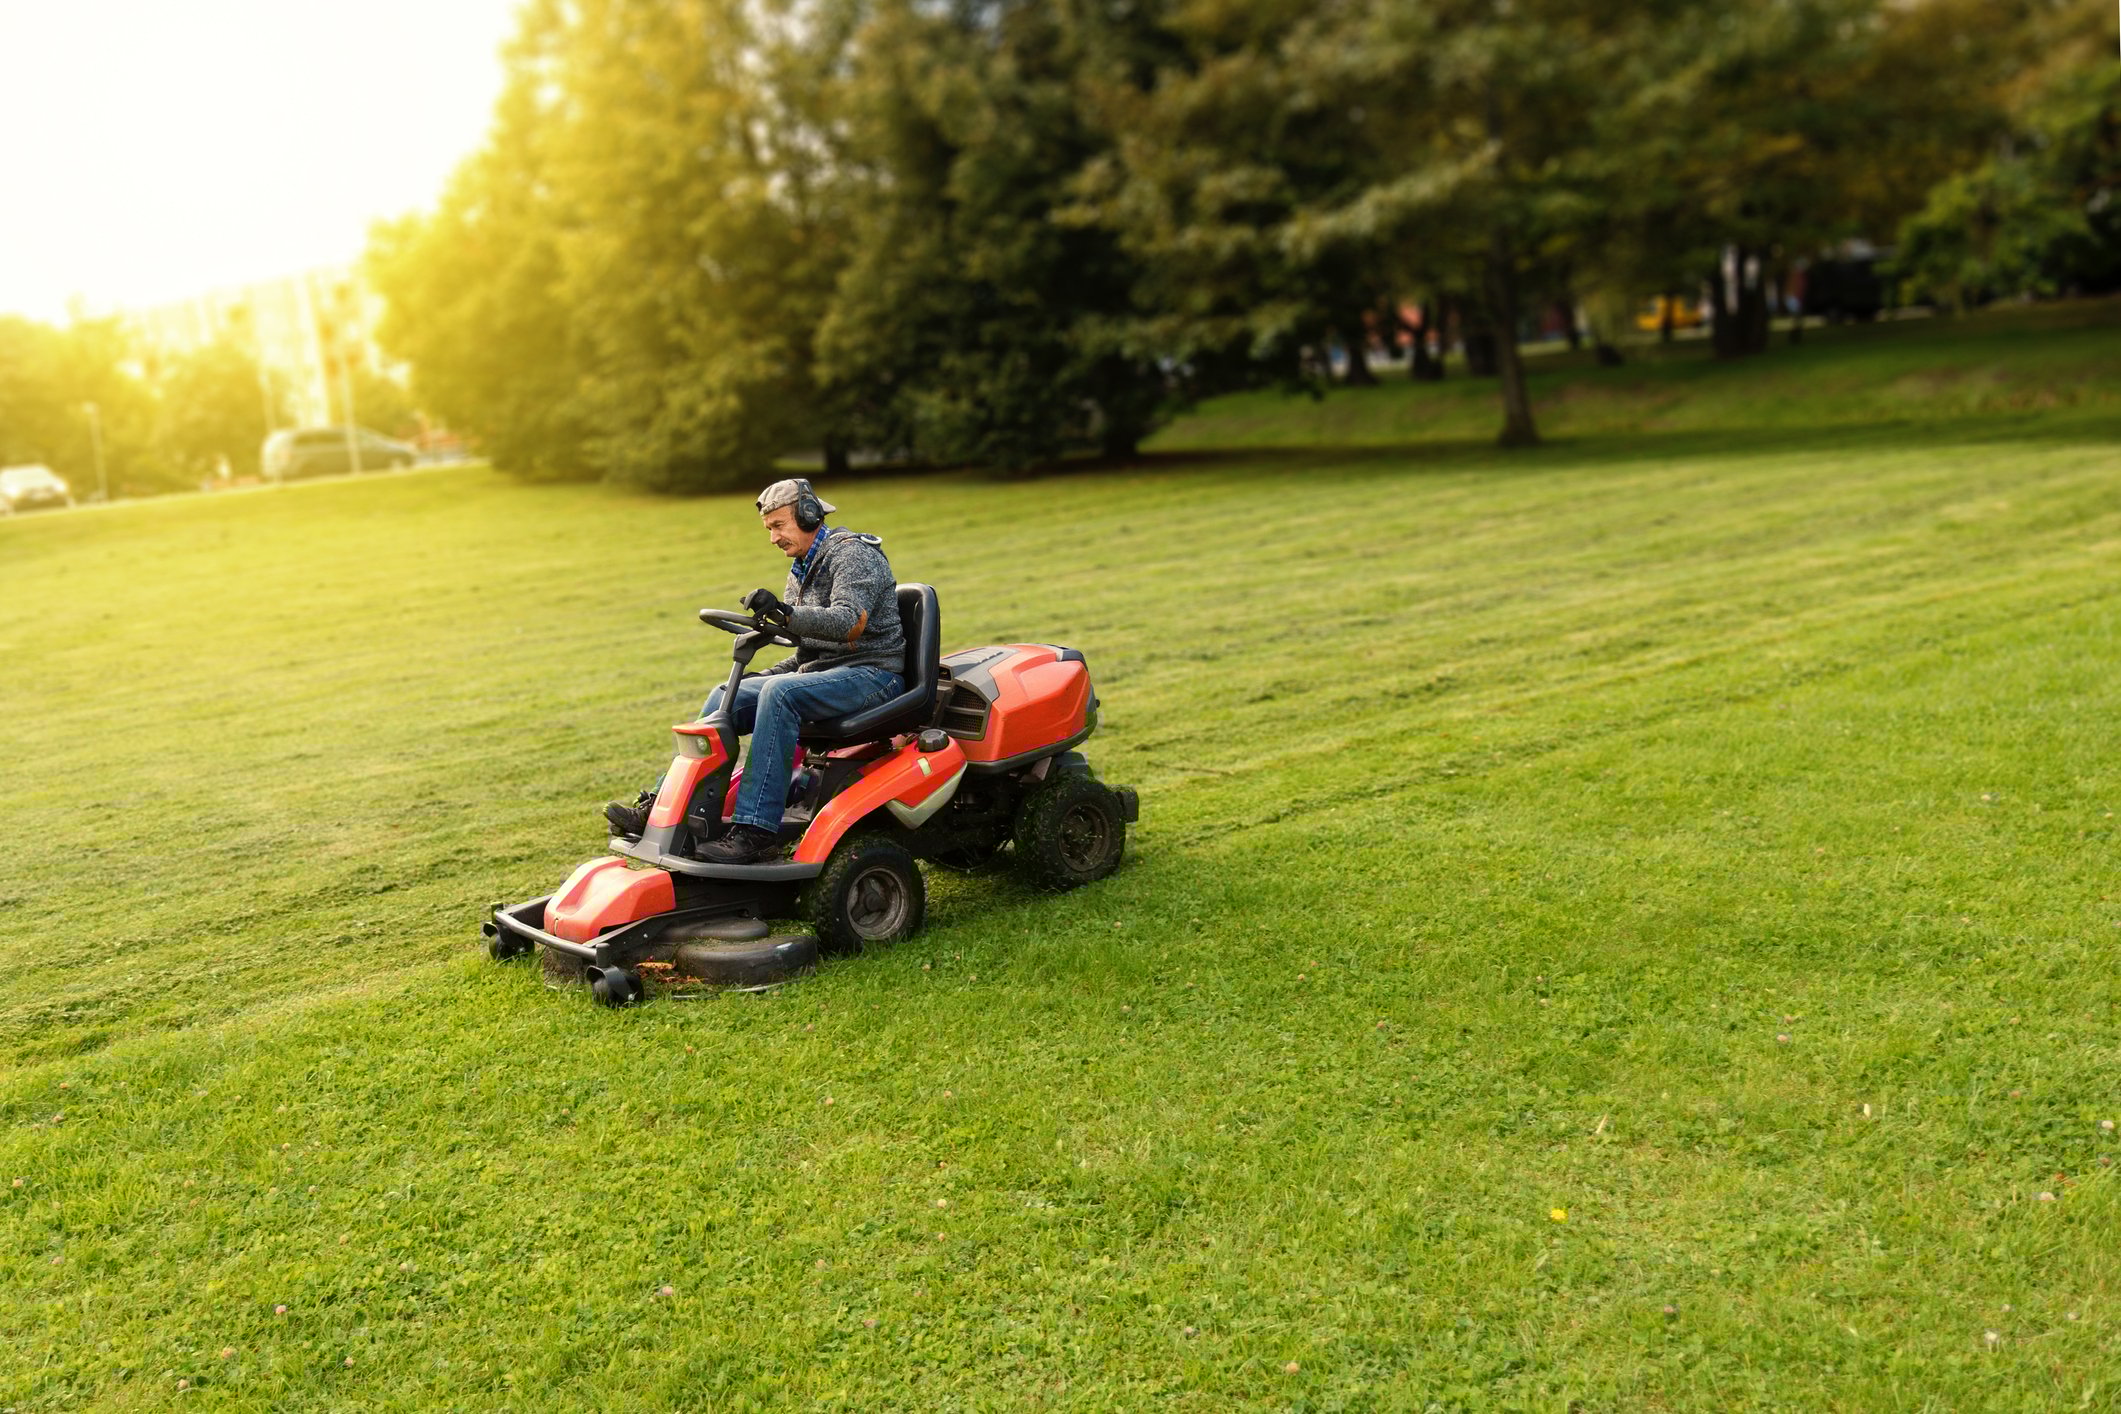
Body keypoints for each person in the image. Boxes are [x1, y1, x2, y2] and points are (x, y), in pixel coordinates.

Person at [603, 478, 906, 863]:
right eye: (769, 530)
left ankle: (756, 830)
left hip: (873, 674)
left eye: (779, 526)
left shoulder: (853, 555)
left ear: (808, 515)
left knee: (779, 694)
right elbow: (807, 652)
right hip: (829, 674)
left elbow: (849, 623)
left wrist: (785, 613)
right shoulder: (802, 567)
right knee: (726, 694)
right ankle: (666, 806)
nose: (773, 538)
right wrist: (763, 673)